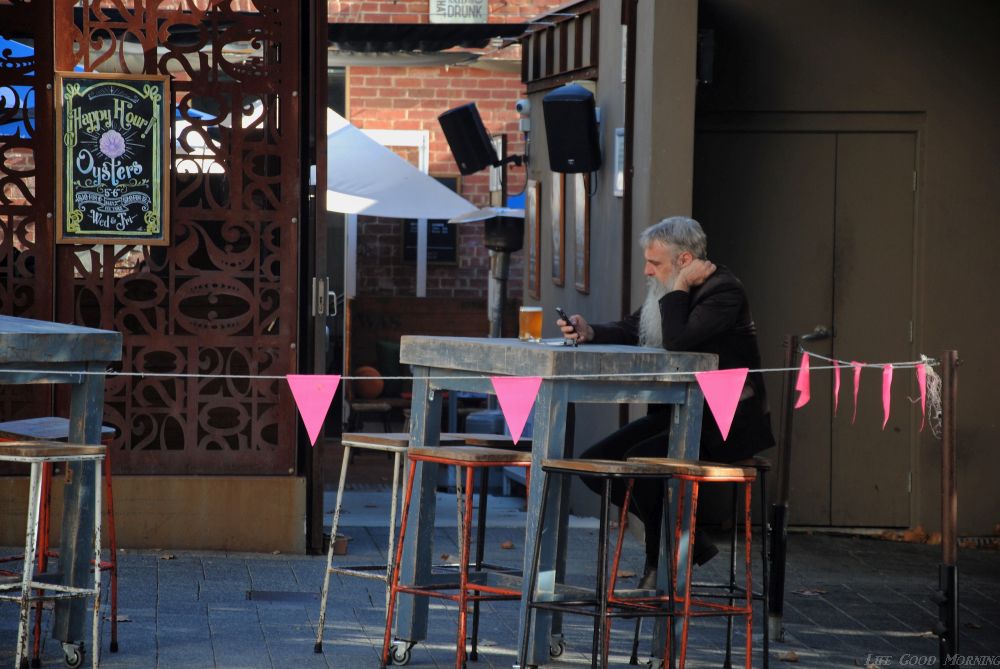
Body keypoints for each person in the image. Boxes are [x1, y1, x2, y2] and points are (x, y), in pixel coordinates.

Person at [557, 216, 775, 588]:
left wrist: (679, 288)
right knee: (592, 466)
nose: (646, 270)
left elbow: (678, 340)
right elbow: (636, 328)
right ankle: (685, 540)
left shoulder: (723, 292)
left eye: (654, 263)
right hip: (679, 416)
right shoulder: (671, 289)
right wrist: (590, 331)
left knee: (641, 471)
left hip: (725, 425)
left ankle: (659, 570)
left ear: (684, 260)